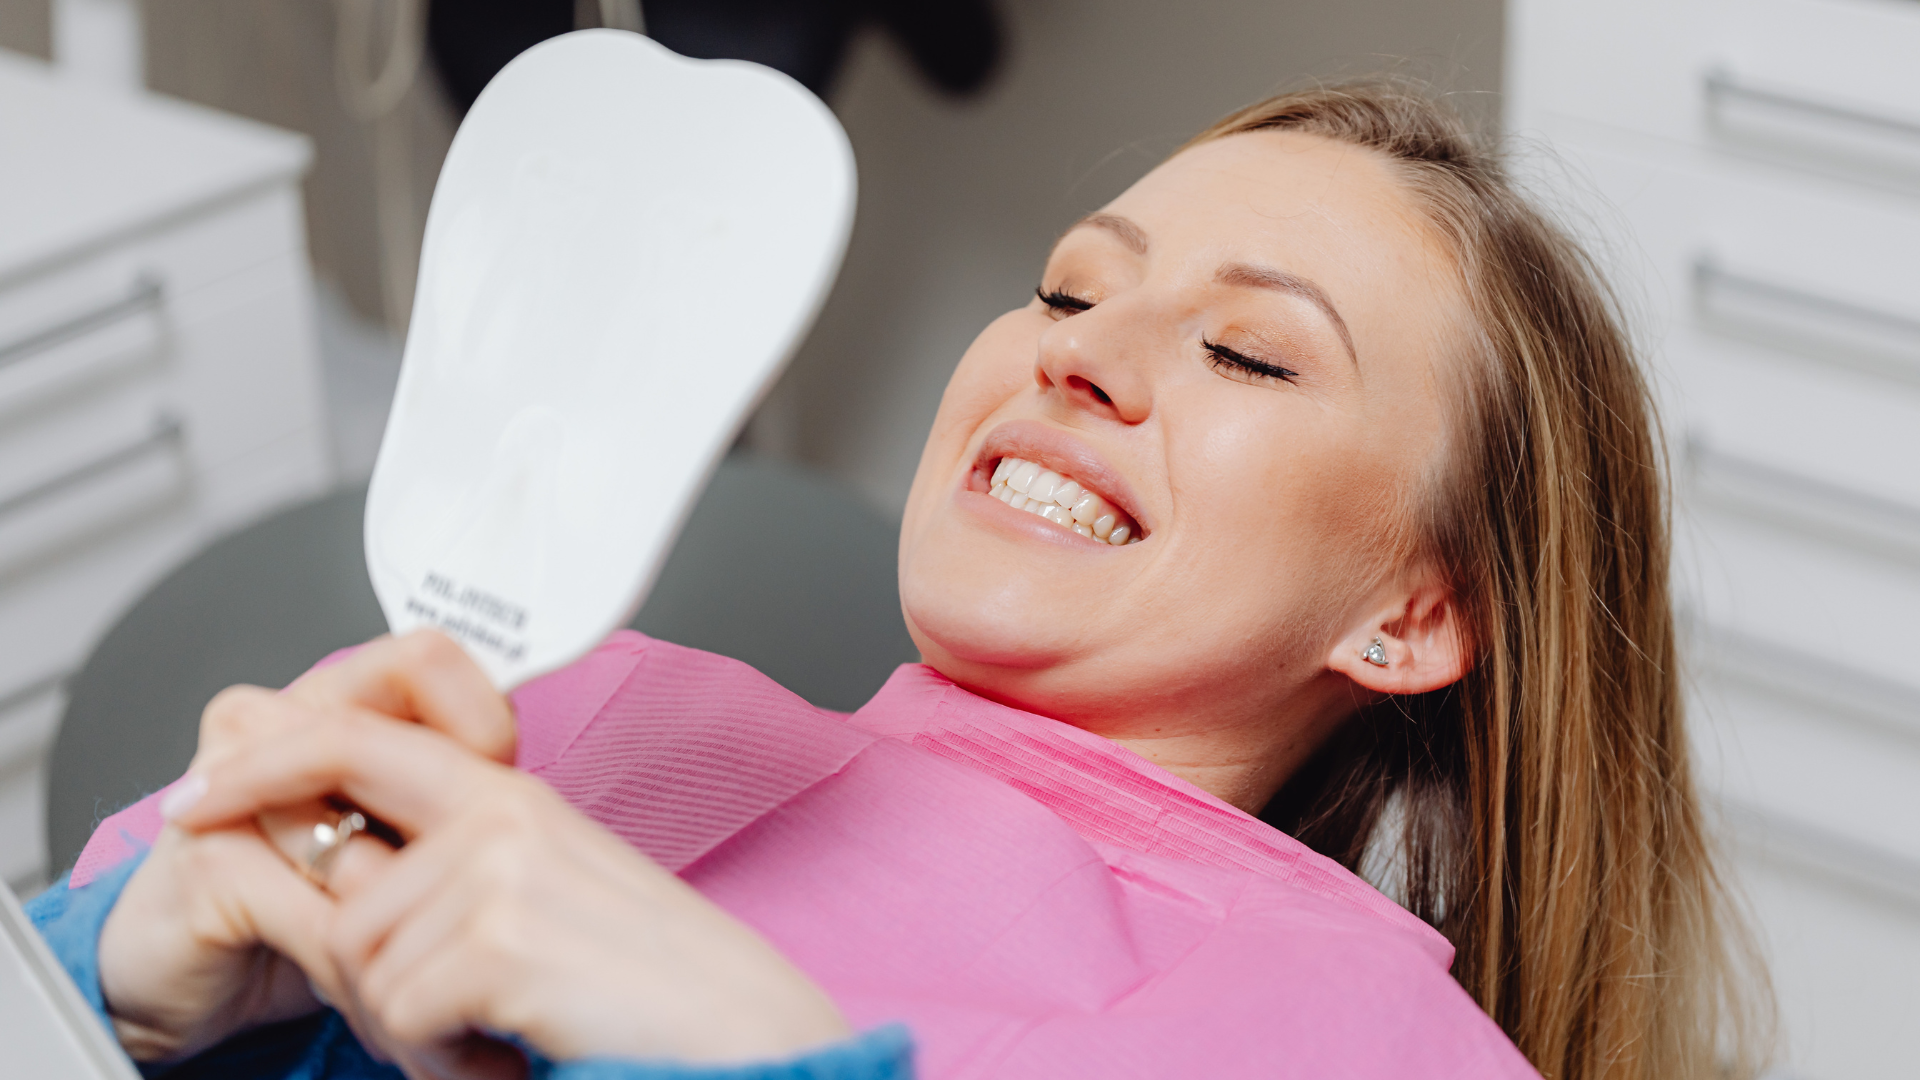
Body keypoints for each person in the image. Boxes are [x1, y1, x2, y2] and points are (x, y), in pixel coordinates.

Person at [31, 81, 1771, 1080]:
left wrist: (760, 1048)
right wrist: (108, 980)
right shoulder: (546, 699)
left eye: (1249, 353)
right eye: (1070, 289)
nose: (1077, 356)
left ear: (1414, 613)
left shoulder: (1369, 1041)